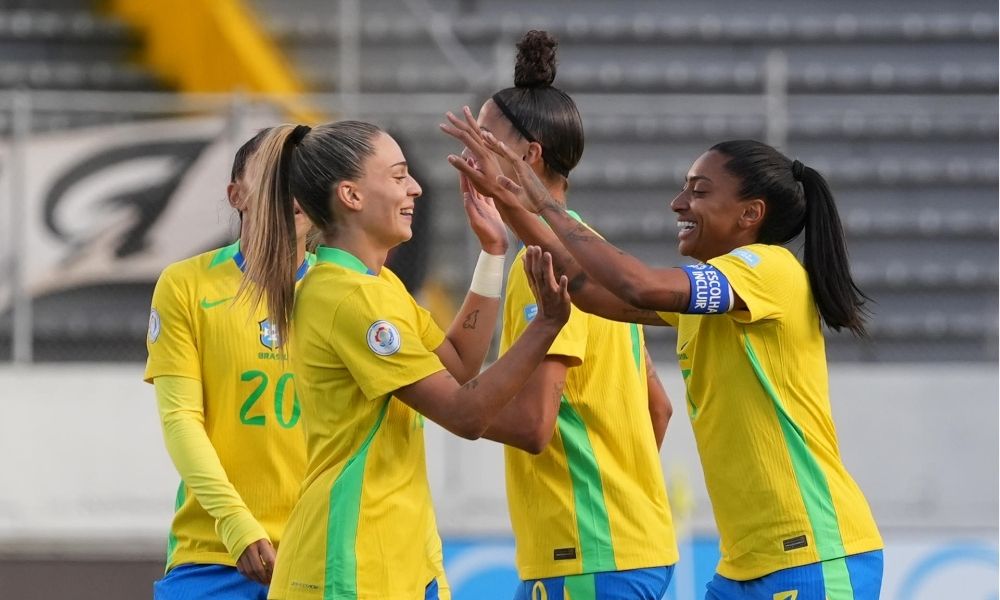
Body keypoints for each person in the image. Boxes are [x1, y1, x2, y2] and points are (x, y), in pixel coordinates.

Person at [453, 123, 885, 599]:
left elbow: (637, 284)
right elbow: (587, 289)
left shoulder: (770, 270)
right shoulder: (713, 295)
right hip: (745, 564)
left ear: (750, 214)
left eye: (698, 192)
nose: (678, 203)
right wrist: (511, 201)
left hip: (813, 554)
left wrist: (542, 200)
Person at [237, 121, 571, 600]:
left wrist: (493, 252)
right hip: (351, 562)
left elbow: (458, 364)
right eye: (398, 176)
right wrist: (545, 326)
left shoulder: (378, 286)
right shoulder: (349, 298)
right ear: (351, 195)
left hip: (397, 554)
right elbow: (465, 412)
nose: (414, 187)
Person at [440, 30, 679, 600]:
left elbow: (532, 426)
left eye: (484, 140)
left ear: (527, 156)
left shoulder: (544, 267)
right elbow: (659, 408)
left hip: (585, 557)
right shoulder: (591, 256)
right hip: (627, 548)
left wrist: (423, 395)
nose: (470, 157)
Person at [145, 128, 315, 599]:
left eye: (302, 177)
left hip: (321, 554)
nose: (290, 190)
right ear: (236, 195)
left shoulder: (350, 290)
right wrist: (236, 523)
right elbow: (180, 418)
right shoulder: (186, 285)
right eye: (274, 176)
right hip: (212, 552)